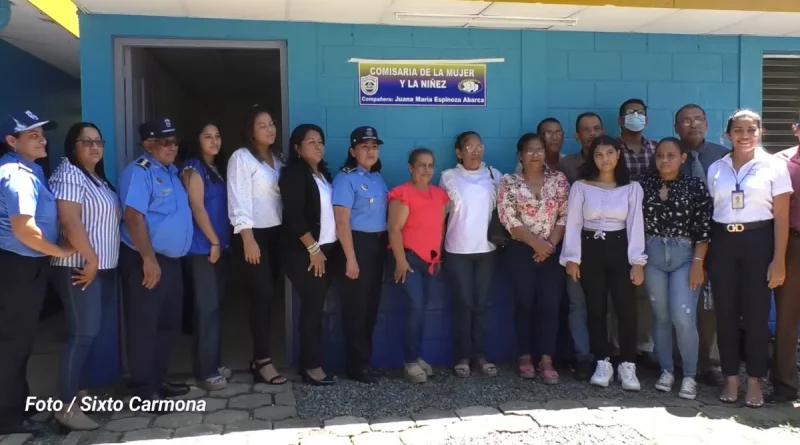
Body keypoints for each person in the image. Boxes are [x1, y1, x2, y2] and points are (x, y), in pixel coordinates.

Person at [707, 109, 791, 408]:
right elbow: (711, 210)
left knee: (756, 314)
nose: (745, 136)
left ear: (760, 133)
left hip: (759, 240)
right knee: (725, 312)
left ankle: (755, 380)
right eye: (738, 130)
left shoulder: (773, 166)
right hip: (723, 242)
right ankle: (731, 377)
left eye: (751, 130)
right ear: (727, 134)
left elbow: (781, 216)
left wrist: (778, 259)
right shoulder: (716, 168)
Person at [0, 111, 73, 434]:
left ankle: (17, 406)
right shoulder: (16, 174)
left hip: (26, 265)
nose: (42, 139)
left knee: (20, 341)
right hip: (18, 266)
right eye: (32, 135)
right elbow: (24, 229)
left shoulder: (31, 170)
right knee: (13, 343)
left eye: (42, 133)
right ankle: (9, 416)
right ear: (12, 141)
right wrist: (60, 251)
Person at [118, 117, 193, 410]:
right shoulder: (139, 172)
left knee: (168, 325)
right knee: (144, 326)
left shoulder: (172, 172)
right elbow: (134, 217)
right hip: (144, 260)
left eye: (175, 142)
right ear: (148, 145)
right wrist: (148, 259)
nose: (173, 147)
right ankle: (142, 389)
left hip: (171, 262)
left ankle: (157, 380)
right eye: (165, 142)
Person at [560, 135, 646, 391]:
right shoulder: (581, 187)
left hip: (620, 249)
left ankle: (628, 365)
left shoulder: (632, 188)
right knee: (595, 309)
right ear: (592, 158)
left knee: (626, 309)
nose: (604, 159)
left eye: (610, 153)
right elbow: (574, 223)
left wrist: (637, 262)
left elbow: (635, 226)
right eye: (599, 154)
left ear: (618, 155)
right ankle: (602, 362)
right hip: (590, 250)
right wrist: (572, 258)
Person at [50, 123, 120, 430]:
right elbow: (69, 219)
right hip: (79, 268)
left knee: (89, 333)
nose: (94, 147)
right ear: (72, 146)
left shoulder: (97, 179)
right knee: (82, 333)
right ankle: (64, 406)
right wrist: (91, 259)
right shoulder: (69, 173)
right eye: (85, 142)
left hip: (101, 268)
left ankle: (79, 393)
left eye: (98, 142)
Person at [640, 137, 712, 400]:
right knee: (659, 316)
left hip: (685, 256)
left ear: (683, 158)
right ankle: (666, 370)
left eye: (671, 155)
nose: (664, 160)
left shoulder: (695, 186)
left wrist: (697, 263)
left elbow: (703, 229)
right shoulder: (644, 184)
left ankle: (690, 375)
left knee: (683, 317)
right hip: (653, 255)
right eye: (660, 155)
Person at [498, 134, 569, 384]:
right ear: (520, 155)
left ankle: (547, 359)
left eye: (540, 150)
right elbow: (509, 219)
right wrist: (535, 243)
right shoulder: (509, 182)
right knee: (525, 304)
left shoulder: (558, 180)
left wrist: (548, 246)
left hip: (551, 250)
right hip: (520, 250)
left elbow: (564, 215)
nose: (536, 155)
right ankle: (525, 357)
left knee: (550, 305)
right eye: (530, 150)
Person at [226, 105, 286, 385]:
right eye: (262, 125)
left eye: (272, 123)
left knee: (271, 296)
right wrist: (247, 238)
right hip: (253, 236)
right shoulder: (241, 158)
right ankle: (262, 360)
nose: (270, 129)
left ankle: (260, 357)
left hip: (277, 235)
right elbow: (238, 200)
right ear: (250, 131)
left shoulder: (279, 158)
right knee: (261, 297)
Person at [672, 104, 728, 387]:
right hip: (678, 240)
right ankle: (680, 361)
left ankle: (712, 363)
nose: (692, 125)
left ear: (706, 124)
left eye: (697, 120)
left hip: (716, 239)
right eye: (685, 121)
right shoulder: (668, 155)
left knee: (710, 304)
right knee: (679, 301)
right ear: (676, 128)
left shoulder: (722, 156)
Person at [280, 124, 340, 386]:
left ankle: (315, 362)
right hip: (305, 253)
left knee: (318, 308)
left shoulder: (323, 174)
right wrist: (313, 249)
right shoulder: (294, 174)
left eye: (320, 142)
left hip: (325, 251)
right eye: (311, 142)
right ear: (297, 147)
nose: (318, 146)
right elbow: (293, 216)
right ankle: (311, 367)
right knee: (313, 309)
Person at [440, 131, 501, 378]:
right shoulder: (448, 177)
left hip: (487, 250)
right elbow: (441, 215)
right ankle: (462, 357)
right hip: (457, 250)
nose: (475, 151)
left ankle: (480, 355)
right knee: (463, 304)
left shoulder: (494, 175)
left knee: (481, 305)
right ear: (459, 152)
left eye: (479, 146)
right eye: (469, 147)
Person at [332, 126, 389, 384]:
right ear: (352, 151)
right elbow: (342, 222)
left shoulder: (377, 177)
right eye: (364, 147)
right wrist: (351, 258)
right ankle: (356, 366)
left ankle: (365, 361)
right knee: (356, 309)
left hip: (376, 247)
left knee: (371, 307)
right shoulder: (346, 178)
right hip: (355, 246)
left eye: (374, 146)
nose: (370, 151)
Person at [387, 148, 449, 384]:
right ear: (410, 167)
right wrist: (400, 261)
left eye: (430, 165)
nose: (426, 170)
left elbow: (439, 229)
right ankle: (409, 362)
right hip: (409, 260)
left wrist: (439, 257)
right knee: (415, 306)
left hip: (431, 262)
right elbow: (393, 229)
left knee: (422, 310)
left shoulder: (440, 195)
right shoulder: (402, 193)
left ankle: (417, 356)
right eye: (421, 165)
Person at [180, 123, 231, 391]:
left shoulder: (215, 169)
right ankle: (206, 371)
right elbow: (196, 207)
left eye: (217, 136)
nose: (214, 141)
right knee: (206, 309)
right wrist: (213, 240)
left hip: (219, 248)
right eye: (207, 136)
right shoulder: (192, 168)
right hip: (203, 249)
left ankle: (214, 361)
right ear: (197, 141)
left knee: (217, 307)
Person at [560, 112, 604, 380]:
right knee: (578, 303)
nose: (592, 134)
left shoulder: (613, 158)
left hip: (609, 245)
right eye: (586, 130)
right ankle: (583, 356)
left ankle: (606, 355)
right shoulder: (568, 165)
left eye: (596, 128)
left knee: (605, 303)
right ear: (577, 135)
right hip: (575, 242)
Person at [617, 98, 657, 368]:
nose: (635, 117)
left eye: (640, 113)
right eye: (630, 113)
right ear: (620, 121)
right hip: (616, 229)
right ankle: (616, 347)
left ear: (647, 119)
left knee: (643, 291)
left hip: (650, 229)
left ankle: (644, 347)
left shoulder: (656, 150)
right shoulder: (611, 149)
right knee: (615, 292)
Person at [771, 110, 800, 404]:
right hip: (793, 245)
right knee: (787, 319)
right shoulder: (780, 163)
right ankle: (784, 384)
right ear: (795, 129)